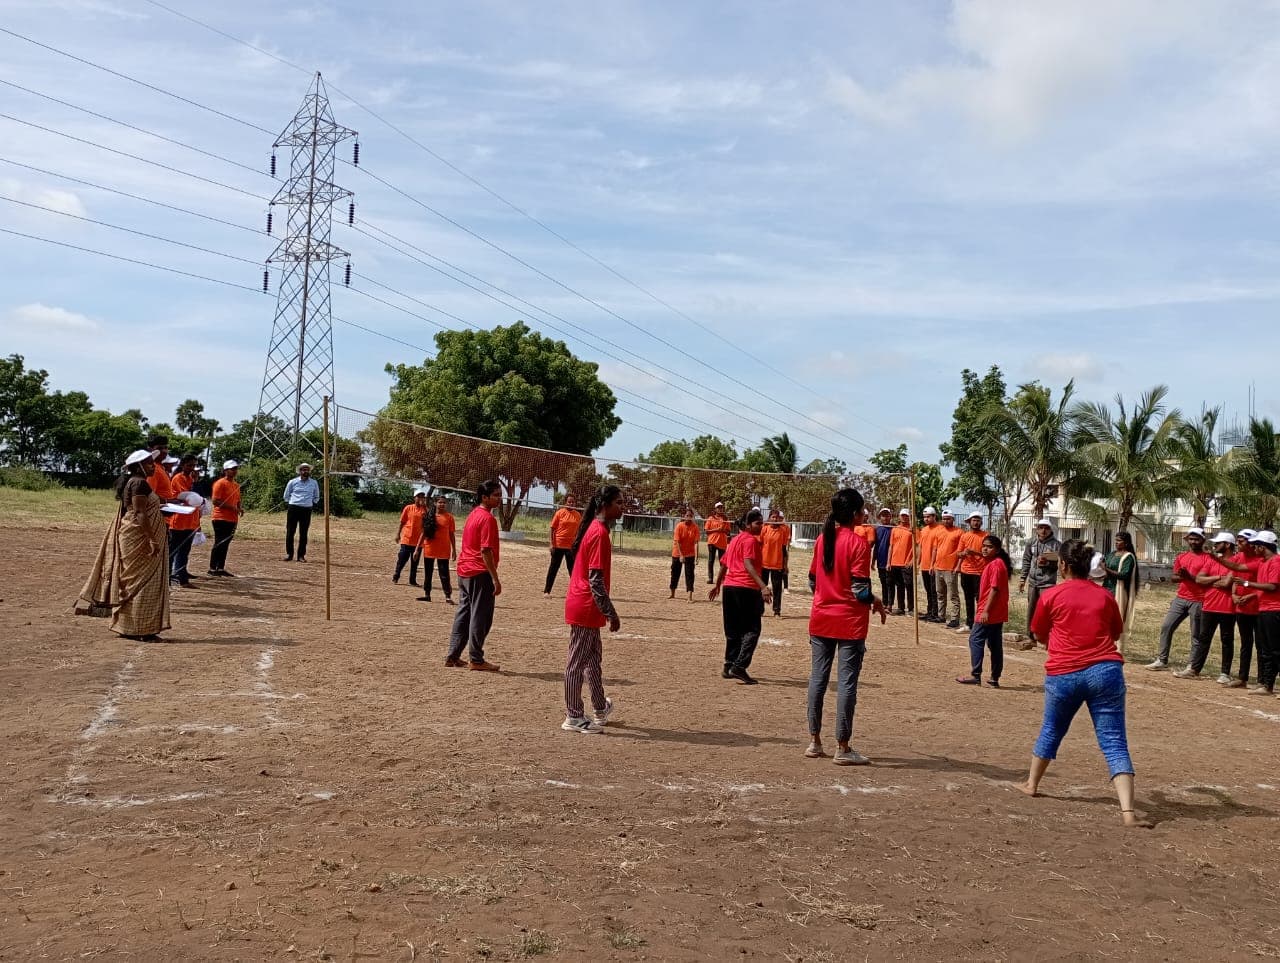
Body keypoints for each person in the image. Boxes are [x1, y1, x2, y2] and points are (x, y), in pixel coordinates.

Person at [1019, 539, 1148, 828]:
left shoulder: (1051, 595)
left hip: (1064, 672)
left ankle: (1031, 784)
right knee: (1114, 741)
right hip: (1106, 671)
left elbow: (1038, 633)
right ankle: (1128, 812)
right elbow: (1115, 632)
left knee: (1052, 729)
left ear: (1063, 565)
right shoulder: (1104, 596)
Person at [805, 488, 888, 765]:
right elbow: (859, 591)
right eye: (863, 510)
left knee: (818, 679)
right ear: (854, 514)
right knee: (847, 684)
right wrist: (875, 600)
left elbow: (813, 581)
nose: (865, 514)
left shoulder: (821, 540)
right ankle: (843, 746)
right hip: (850, 623)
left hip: (821, 618)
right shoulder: (858, 544)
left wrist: (827, 595)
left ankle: (815, 741)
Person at [75, 449, 171, 641]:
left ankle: (131, 626)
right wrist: (152, 540)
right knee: (142, 583)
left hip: (136, 535)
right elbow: (140, 513)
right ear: (139, 467)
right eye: (149, 463)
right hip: (139, 539)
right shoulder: (139, 483)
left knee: (137, 582)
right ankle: (139, 629)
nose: (153, 466)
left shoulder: (136, 483)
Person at [561, 485, 625, 734]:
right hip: (586, 605)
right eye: (618, 502)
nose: (622, 507)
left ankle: (600, 707)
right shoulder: (598, 533)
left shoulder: (597, 530)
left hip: (589, 606)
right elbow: (595, 579)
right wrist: (611, 611)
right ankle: (574, 715)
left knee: (593, 661)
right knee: (576, 663)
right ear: (604, 505)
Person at [445, 480, 503, 672]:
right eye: (495, 495)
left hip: (465, 571)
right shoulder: (487, 519)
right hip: (479, 572)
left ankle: (453, 655)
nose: (499, 498)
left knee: (464, 613)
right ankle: (476, 659)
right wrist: (495, 578)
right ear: (484, 497)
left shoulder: (473, 515)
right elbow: (486, 550)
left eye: (499, 494)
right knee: (481, 616)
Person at [709, 508, 772, 684]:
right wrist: (763, 587)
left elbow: (723, 564)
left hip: (730, 587)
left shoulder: (735, 540)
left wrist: (718, 585)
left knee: (733, 629)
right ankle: (740, 666)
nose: (761, 526)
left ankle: (728, 665)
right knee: (753, 629)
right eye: (758, 523)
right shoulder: (751, 541)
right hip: (746, 588)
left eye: (762, 522)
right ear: (748, 525)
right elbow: (748, 564)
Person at [1146, 528, 1211, 670]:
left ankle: (1192, 665)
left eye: (1197, 539)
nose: (1193, 541)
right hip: (1181, 598)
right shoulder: (1181, 557)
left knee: (1196, 635)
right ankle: (1162, 660)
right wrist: (1181, 576)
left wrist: (1189, 576)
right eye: (1191, 539)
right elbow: (1174, 577)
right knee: (1166, 626)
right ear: (1187, 540)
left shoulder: (1208, 558)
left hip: (1199, 600)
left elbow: (1204, 580)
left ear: (1203, 540)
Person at [1177, 532, 1238, 681]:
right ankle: (1194, 669)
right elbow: (1199, 579)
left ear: (1228, 545)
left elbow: (1226, 584)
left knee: (1227, 640)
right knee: (1204, 638)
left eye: (1218, 543)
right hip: (1209, 605)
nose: (1215, 545)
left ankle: (1224, 673)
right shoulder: (1212, 560)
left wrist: (1212, 581)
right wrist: (1217, 577)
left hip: (1227, 607)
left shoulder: (1235, 562)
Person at [956, 534, 1012, 687]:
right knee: (994, 644)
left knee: (975, 639)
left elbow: (994, 589)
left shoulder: (996, 565)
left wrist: (986, 611)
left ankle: (976, 675)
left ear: (998, 549)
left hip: (989, 611)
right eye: (984, 546)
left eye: (989, 546)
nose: (985, 549)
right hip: (996, 611)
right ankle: (994, 678)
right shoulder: (995, 563)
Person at [1234, 531, 1278, 695]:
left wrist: (1247, 583)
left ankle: (1268, 684)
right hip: (1264, 609)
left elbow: (1272, 586)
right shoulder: (1264, 562)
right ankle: (1267, 685)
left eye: (1256, 545)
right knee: (1266, 650)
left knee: (1275, 649)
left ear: (1263, 546)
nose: (1253, 547)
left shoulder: (1276, 562)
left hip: (1274, 610)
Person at [1228, 529, 1262, 688]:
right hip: (1242, 607)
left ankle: (1263, 680)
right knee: (1245, 643)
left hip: (1259, 608)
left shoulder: (1261, 559)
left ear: (1250, 542)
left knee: (1262, 645)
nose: (1237, 543)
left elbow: (1266, 585)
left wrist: (1251, 595)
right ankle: (1242, 677)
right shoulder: (1238, 558)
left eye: (1241, 541)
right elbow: (1235, 579)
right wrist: (1234, 595)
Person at [1019, 519, 1061, 643]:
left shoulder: (1057, 545)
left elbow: (1059, 565)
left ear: (1050, 530)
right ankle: (1030, 635)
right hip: (1033, 582)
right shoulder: (1031, 543)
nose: (1043, 531)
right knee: (1031, 609)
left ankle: (1046, 637)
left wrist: (1047, 563)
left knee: (1046, 611)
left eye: (1046, 528)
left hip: (1048, 583)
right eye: (1041, 528)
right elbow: (1026, 560)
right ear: (1037, 529)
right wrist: (1022, 579)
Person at [167, 453, 202, 588]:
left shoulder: (191, 479)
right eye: (189, 465)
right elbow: (191, 497)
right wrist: (194, 483)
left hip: (190, 521)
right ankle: (169, 577)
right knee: (173, 551)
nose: (192, 468)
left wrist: (196, 482)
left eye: (194, 465)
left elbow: (199, 497)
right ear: (182, 465)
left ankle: (182, 577)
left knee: (185, 551)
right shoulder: (178, 478)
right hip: (178, 521)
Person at [1101, 531, 1139, 644]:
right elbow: (1105, 568)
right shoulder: (1111, 554)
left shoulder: (1128, 557)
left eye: (1119, 541)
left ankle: (1114, 644)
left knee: (1115, 619)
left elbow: (1123, 575)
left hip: (1118, 591)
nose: (1116, 543)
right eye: (1115, 540)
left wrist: (1106, 569)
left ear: (1126, 543)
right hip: (1106, 588)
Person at [419, 495, 458, 604]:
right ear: (435, 503)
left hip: (443, 550)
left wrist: (454, 550)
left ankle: (448, 596)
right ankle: (427, 594)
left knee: (444, 574)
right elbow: (423, 533)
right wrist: (418, 548)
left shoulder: (449, 517)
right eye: (440, 502)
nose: (442, 504)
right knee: (428, 573)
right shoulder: (429, 516)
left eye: (444, 503)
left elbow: (451, 534)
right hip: (429, 549)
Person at [208, 460, 243, 577]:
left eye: (235, 469)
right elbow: (216, 501)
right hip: (220, 518)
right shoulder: (220, 483)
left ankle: (220, 567)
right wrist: (232, 507)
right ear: (225, 470)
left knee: (226, 543)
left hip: (232, 519)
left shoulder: (236, 485)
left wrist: (239, 508)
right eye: (232, 469)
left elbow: (237, 500)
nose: (234, 471)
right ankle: (212, 568)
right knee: (219, 542)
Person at [544, 494, 581, 596]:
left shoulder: (578, 515)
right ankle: (547, 591)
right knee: (553, 568)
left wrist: (577, 544)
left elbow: (579, 531)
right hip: (558, 545)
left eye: (573, 502)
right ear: (565, 502)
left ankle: (576, 592)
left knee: (572, 570)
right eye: (569, 501)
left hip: (570, 547)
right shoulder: (560, 513)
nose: (571, 503)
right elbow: (552, 528)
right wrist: (551, 544)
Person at [282, 463, 321, 562]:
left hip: (306, 509)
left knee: (303, 533)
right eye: (303, 470)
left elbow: (317, 496)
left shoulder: (314, 483)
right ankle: (289, 554)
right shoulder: (292, 482)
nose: (305, 471)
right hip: (293, 508)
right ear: (300, 471)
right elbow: (286, 495)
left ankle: (301, 556)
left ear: (309, 471)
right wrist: (293, 502)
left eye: (307, 470)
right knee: (290, 532)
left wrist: (310, 503)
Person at [956, 512, 987, 632]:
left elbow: (988, 554)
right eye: (974, 520)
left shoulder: (986, 536)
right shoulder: (964, 536)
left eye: (978, 520)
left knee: (980, 599)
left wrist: (975, 553)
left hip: (980, 572)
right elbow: (958, 553)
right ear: (969, 522)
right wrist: (964, 553)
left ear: (981, 522)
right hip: (966, 571)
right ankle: (969, 624)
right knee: (968, 598)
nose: (976, 522)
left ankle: (980, 624)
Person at [393, 490, 432, 585]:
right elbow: (402, 521)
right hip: (407, 539)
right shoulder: (408, 508)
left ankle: (412, 580)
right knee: (402, 559)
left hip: (418, 541)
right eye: (419, 496)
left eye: (422, 496)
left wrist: (425, 507)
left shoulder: (425, 510)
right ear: (415, 498)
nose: (421, 498)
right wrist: (398, 534)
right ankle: (396, 575)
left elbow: (429, 520)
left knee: (415, 562)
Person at [934, 510, 963, 629]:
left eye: (948, 518)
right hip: (938, 567)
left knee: (953, 595)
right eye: (944, 518)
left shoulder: (959, 532)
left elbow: (961, 551)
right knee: (940, 593)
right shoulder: (939, 531)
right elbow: (935, 549)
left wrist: (957, 566)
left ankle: (955, 618)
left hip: (950, 568)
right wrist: (933, 564)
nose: (946, 521)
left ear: (953, 519)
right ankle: (941, 616)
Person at [761, 508, 791, 616]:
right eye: (773, 517)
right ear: (769, 518)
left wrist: (785, 565)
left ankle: (777, 610)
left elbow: (784, 549)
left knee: (777, 588)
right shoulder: (764, 529)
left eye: (777, 517)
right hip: (764, 563)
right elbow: (760, 544)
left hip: (777, 564)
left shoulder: (783, 530)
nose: (775, 519)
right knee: (762, 587)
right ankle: (760, 609)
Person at [668, 507, 700, 601]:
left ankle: (689, 596)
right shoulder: (679, 526)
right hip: (677, 553)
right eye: (687, 515)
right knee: (675, 572)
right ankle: (672, 593)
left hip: (690, 553)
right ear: (684, 516)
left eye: (690, 516)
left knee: (690, 574)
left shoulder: (695, 527)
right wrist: (681, 555)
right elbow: (677, 541)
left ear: (692, 517)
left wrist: (697, 557)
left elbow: (696, 543)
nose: (688, 517)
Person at [888, 509, 916, 616]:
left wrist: (912, 560)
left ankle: (911, 609)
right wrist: (888, 561)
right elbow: (891, 546)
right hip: (895, 562)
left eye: (906, 516)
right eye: (902, 515)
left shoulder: (912, 530)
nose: (904, 517)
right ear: (899, 517)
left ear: (910, 517)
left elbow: (917, 546)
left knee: (909, 585)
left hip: (906, 563)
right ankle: (900, 608)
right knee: (899, 586)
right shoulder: (895, 529)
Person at [918, 507, 941, 622]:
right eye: (925, 517)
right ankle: (929, 611)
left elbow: (936, 549)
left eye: (928, 516)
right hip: (924, 565)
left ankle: (935, 613)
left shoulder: (939, 529)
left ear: (934, 516)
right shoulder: (923, 530)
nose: (926, 519)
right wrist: (918, 562)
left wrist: (932, 564)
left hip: (934, 566)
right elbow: (921, 547)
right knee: (928, 590)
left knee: (934, 590)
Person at [873, 507, 895, 609]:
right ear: (879, 517)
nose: (885, 517)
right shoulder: (877, 530)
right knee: (883, 583)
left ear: (890, 516)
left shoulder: (894, 529)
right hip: (880, 561)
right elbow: (876, 547)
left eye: (887, 515)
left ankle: (890, 604)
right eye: (883, 515)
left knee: (890, 583)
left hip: (891, 561)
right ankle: (885, 603)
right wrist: (873, 561)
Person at [704, 502, 732, 584]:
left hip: (722, 543)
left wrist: (723, 530)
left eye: (721, 507)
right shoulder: (710, 518)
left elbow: (728, 531)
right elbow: (706, 531)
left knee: (722, 561)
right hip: (712, 542)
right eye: (718, 507)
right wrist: (717, 530)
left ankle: (722, 578)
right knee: (711, 560)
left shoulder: (725, 519)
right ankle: (710, 578)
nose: (720, 509)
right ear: (715, 509)